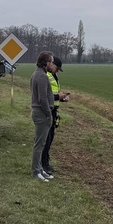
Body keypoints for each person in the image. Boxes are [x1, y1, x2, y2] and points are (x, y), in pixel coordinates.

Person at [41, 56, 70, 175]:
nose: (57, 70)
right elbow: (45, 96)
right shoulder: (46, 76)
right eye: (57, 68)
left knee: (50, 138)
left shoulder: (54, 76)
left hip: (53, 109)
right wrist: (59, 96)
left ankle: (46, 162)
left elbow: (54, 94)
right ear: (51, 64)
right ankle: (43, 164)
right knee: (45, 140)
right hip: (47, 111)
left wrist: (62, 98)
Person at [30, 51, 56, 182]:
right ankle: (36, 171)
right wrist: (48, 113)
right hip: (41, 113)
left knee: (41, 143)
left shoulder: (38, 74)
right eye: (51, 61)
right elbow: (42, 98)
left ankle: (40, 169)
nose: (52, 64)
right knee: (39, 144)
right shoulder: (41, 76)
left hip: (40, 112)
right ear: (46, 62)